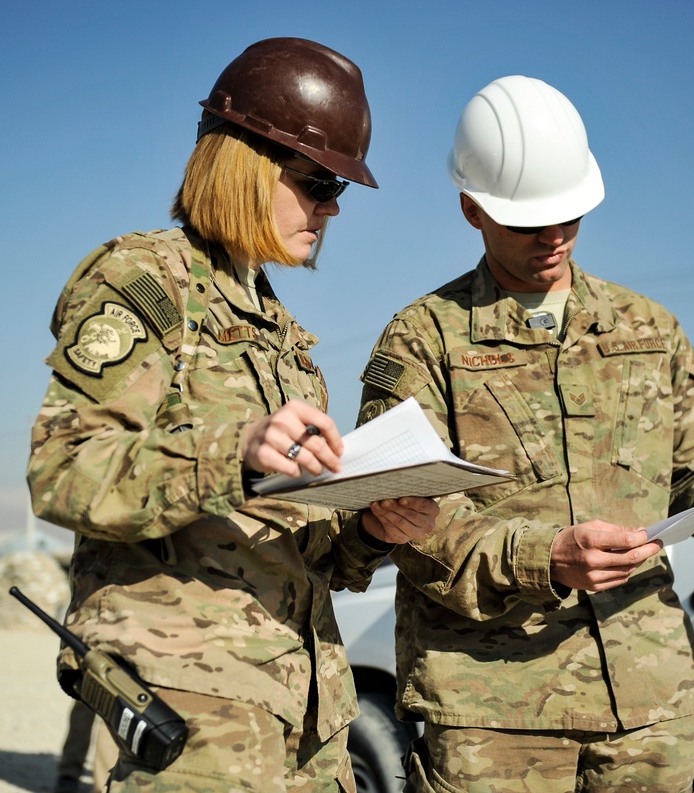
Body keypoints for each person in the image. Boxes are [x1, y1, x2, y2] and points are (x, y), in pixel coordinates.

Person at [356, 75, 694, 793]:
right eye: (528, 222)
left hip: (648, 701)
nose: (554, 237)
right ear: (471, 208)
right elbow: (408, 522)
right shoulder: (423, 340)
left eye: (569, 215)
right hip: (493, 715)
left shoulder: (650, 329)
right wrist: (545, 557)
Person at [27, 38, 437, 793]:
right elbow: (63, 468)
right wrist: (234, 451)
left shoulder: (286, 340)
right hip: (192, 712)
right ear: (245, 165)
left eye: (336, 188)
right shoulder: (146, 279)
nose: (333, 206)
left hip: (306, 714)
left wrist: (372, 527)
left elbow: (296, 547)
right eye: (317, 182)